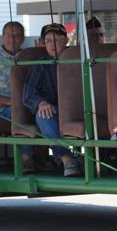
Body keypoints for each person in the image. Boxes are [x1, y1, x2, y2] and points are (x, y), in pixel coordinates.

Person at [21, 24, 81, 176]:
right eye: (48, 41)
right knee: (43, 114)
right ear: (43, 43)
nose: (52, 45)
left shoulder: (77, 60)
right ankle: (67, 159)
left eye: (57, 40)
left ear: (66, 40)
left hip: (80, 109)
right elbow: (28, 94)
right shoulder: (40, 65)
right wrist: (41, 102)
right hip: (54, 110)